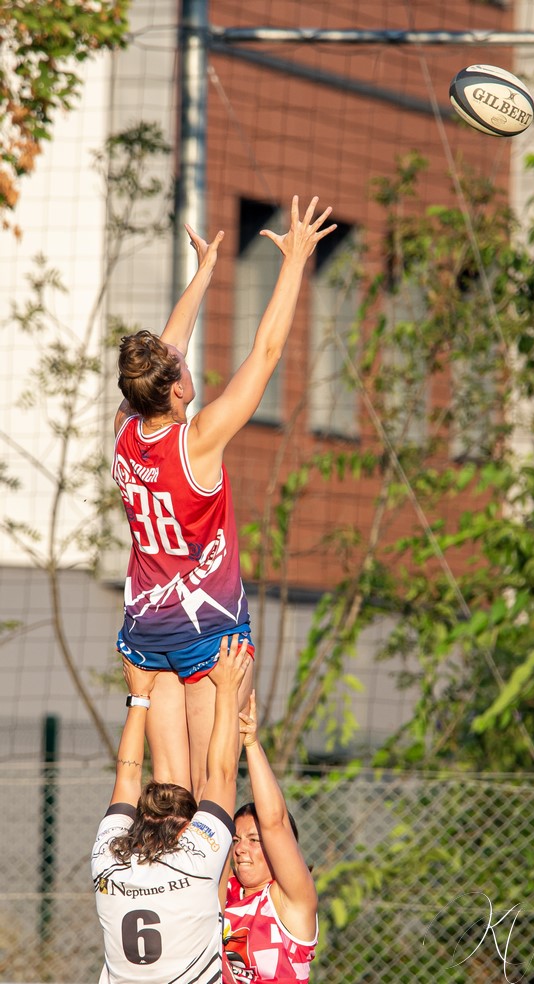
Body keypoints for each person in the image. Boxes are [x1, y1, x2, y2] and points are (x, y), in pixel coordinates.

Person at [112, 196, 337, 797]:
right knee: (216, 783)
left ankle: (158, 888)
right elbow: (265, 354)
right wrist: (294, 263)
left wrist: (204, 272)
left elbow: (164, 352)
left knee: (169, 792)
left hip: (146, 632)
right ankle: (202, 894)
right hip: (209, 631)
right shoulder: (200, 440)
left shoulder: (124, 431)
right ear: (178, 387)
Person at [92, 635, 249, 984]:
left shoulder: (195, 861)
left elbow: (220, 775)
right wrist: (138, 696)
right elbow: (128, 776)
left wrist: (225, 689)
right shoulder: (106, 862)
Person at [222, 691, 318, 984]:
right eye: (236, 840)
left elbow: (274, 823)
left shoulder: (289, 900)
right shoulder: (224, 889)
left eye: (254, 840)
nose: (241, 848)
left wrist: (250, 743)